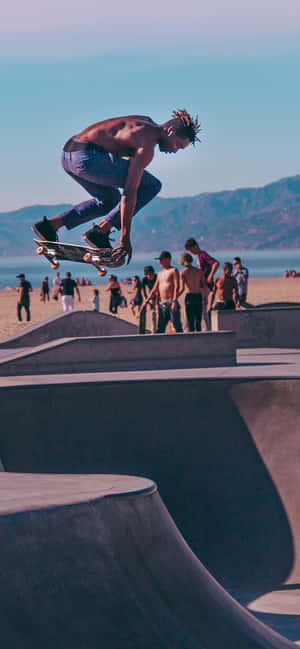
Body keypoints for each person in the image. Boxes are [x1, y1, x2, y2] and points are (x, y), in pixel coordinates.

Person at [32, 110, 201, 264]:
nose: (175, 150)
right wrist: (125, 236)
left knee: (110, 200)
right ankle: (100, 232)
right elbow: (130, 192)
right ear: (170, 131)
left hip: (69, 156)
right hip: (87, 158)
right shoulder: (147, 145)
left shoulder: (143, 122)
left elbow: (119, 153)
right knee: (152, 186)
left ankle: (50, 226)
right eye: (178, 145)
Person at [143, 251, 183, 333]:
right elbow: (154, 289)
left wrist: (174, 301)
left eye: (161, 259)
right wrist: (146, 301)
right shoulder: (160, 273)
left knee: (177, 326)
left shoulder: (173, 270)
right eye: (159, 260)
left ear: (168, 259)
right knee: (160, 328)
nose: (160, 262)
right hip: (162, 303)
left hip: (171, 302)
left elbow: (177, 286)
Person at [178, 252, 208, 332]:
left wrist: (175, 297)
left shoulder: (183, 273)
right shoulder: (199, 271)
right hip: (198, 295)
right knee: (198, 320)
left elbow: (181, 288)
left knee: (190, 320)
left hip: (189, 296)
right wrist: (205, 298)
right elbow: (204, 286)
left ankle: (192, 338)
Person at [142, 265, 157, 333]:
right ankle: (153, 330)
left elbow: (158, 290)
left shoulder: (157, 277)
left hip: (159, 295)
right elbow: (143, 291)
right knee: (153, 314)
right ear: (146, 275)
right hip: (151, 297)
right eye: (149, 275)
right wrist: (148, 302)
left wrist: (156, 302)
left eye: (152, 274)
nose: (151, 276)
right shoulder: (144, 280)